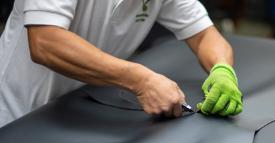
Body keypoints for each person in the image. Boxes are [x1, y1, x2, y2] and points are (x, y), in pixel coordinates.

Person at [0, 0, 243, 127]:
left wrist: (222, 69)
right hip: (17, 115)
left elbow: (204, 36)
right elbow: (45, 41)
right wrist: (141, 80)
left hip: (78, 112)